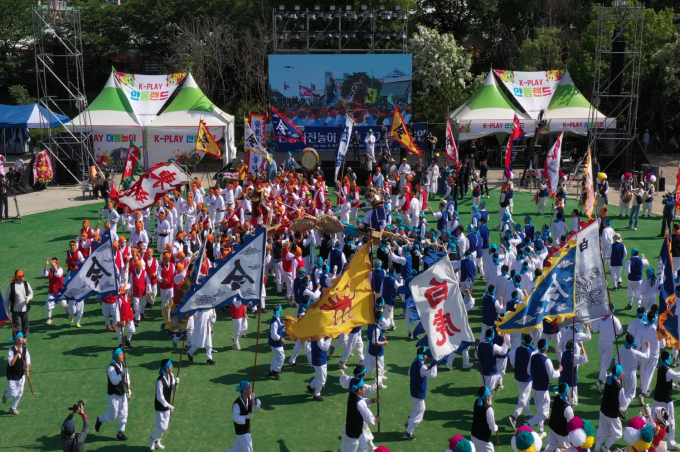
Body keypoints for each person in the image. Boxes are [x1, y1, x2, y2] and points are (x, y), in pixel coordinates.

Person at [525, 338, 562, 437]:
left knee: (539, 411)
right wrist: (559, 370)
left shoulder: (533, 356)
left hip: (535, 388)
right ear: (546, 348)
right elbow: (553, 375)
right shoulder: (546, 360)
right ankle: (529, 423)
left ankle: (540, 431)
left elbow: (528, 371)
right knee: (544, 414)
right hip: (543, 390)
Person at [594, 365, 632, 452]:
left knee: (602, 432)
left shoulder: (608, 379)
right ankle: (605, 447)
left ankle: (596, 449)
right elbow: (623, 403)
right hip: (612, 414)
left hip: (603, 410)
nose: (623, 372)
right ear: (620, 374)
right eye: (622, 371)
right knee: (618, 434)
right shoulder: (619, 388)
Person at [403, 346, 438, 440]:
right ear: (424, 356)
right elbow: (433, 375)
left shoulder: (414, 363)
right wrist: (435, 364)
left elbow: (409, 373)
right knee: (419, 414)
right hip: (418, 393)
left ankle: (408, 422)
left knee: (416, 410)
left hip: (414, 390)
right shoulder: (422, 367)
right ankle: (408, 432)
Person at [95, 348, 130, 441]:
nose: (122, 356)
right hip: (113, 395)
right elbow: (114, 381)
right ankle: (100, 420)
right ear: (115, 357)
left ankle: (120, 433)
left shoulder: (123, 365)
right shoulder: (111, 368)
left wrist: (129, 388)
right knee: (113, 415)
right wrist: (123, 373)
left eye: (122, 354)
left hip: (122, 394)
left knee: (124, 413)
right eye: (120, 354)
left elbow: (127, 378)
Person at [147, 358, 179, 450]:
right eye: (170, 365)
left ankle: (157, 441)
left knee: (163, 426)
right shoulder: (160, 381)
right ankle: (152, 438)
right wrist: (168, 405)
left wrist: (176, 383)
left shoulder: (171, 375)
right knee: (162, 427)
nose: (172, 366)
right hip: (160, 406)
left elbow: (173, 388)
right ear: (166, 368)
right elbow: (159, 397)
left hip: (167, 405)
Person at [343, 376, 380, 452]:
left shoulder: (353, 395)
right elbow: (368, 417)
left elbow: (363, 401)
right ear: (359, 390)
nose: (365, 388)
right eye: (364, 387)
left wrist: (373, 400)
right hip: (354, 433)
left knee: (364, 447)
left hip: (355, 430)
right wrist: (376, 420)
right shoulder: (359, 402)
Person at [592, 303, 623, 392]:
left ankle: (604, 378)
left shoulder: (601, 317)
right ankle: (600, 382)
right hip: (609, 344)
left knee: (603, 362)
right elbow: (620, 331)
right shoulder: (615, 320)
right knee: (605, 365)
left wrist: (597, 330)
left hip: (600, 342)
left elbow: (594, 327)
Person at [652, 350, 679, 449]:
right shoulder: (668, 370)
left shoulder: (660, 368)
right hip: (666, 401)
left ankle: (652, 439)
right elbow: (678, 376)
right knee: (670, 421)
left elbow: (666, 382)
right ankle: (671, 443)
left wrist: (676, 387)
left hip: (657, 399)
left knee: (655, 419)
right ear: (667, 359)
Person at [509, 334, 536, 430]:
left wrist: (518, 369)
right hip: (527, 379)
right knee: (523, 399)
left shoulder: (517, 349)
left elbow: (512, 362)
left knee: (525, 397)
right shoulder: (531, 353)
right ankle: (514, 417)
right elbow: (531, 368)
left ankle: (528, 415)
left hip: (518, 377)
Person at [225, 381, 261, 452]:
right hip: (241, 431)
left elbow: (257, 406)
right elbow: (236, 418)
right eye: (249, 388)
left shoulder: (250, 398)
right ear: (244, 390)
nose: (251, 389)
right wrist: (246, 417)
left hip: (247, 429)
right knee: (249, 449)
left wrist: (255, 399)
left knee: (239, 450)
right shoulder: (237, 404)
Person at [3, 331, 30, 415]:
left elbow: (27, 361)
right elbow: (11, 363)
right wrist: (18, 353)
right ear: (17, 339)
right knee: (14, 394)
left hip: (21, 375)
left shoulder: (25, 350)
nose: (23, 339)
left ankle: (13, 408)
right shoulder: (11, 350)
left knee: (20, 392)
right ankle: (6, 394)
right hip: (12, 375)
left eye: (23, 337)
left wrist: (27, 369)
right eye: (21, 337)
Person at [544, 382, 574, 452]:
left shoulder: (556, 398)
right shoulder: (568, 409)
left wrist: (569, 403)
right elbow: (571, 422)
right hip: (563, 434)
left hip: (553, 429)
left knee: (549, 449)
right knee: (566, 450)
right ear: (567, 393)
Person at [4, 269, 33, 340]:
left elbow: (31, 293)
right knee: (17, 327)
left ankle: (24, 338)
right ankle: (18, 340)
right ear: (17, 278)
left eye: (23, 275)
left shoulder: (26, 284)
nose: (24, 276)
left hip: (25, 309)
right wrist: (6, 311)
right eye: (22, 276)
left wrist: (29, 298)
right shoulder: (12, 286)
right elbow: (7, 299)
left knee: (25, 325)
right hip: (16, 310)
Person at [470, 386, 499, 452]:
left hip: (473, 436)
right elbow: (492, 427)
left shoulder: (476, 401)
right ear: (487, 397)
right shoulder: (489, 409)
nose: (491, 393)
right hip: (483, 441)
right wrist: (496, 427)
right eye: (489, 394)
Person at [43, 257, 67, 325]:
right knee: (49, 306)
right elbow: (44, 273)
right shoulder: (50, 270)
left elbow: (58, 274)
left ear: (57, 263)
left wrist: (54, 266)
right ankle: (49, 318)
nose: (53, 265)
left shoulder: (60, 269)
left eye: (54, 263)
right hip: (51, 291)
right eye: (52, 264)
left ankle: (67, 310)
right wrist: (46, 265)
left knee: (63, 304)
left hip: (59, 291)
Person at [308, 335, 331, 401]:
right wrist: (331, 337)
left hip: (319, 359)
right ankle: (317, 394)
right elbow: (324, 347)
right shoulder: (318, 337)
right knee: (322, 380)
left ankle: (311, 386)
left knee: (319, 375)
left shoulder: (316, 334)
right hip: (319, 361)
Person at [268, 304, 285, 380]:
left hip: (275, 343)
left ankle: (271, 370)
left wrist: (284, 326)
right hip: (276, 343)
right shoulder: (274, 322)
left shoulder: (277, 318)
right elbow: (274, 335)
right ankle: (276, 371)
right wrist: (281, 338)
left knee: (275, 356)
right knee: (281, 357)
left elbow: (280, 326)